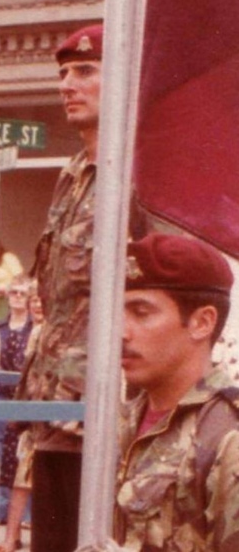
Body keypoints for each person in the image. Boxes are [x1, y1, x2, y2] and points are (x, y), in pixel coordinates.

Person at [14, 23, 102, 552]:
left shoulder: (136, 169)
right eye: (63, 73)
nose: (68, 84)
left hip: (104, 409)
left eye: (85, 72)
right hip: (55, 406)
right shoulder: (71, 174)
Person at [111, 233, 239, 550]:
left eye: (141, 313)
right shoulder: (122, 420)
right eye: (118, 313)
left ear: (202, 322)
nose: (121, 331)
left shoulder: (226, 435)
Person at [0, 276, 34, 528]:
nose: (17, 297)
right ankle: (2, 510)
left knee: (24, 456)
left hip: (25, 398)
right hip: (1, 397)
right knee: (2, 453)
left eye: (22, 293)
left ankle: (26, 515)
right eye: (14, 293)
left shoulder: (34, 329)